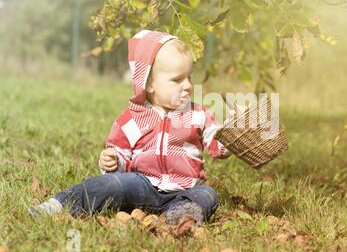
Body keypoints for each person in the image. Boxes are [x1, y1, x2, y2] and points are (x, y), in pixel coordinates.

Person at [29, 30, 233, 226]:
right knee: (114, 184)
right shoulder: (133, 119)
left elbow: (218, 146)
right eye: (177, 80)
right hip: (142, 185)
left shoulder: (198, 114)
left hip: (185, 189)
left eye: (189, 77)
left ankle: (176, 219)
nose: (188, 85)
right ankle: (59, 205)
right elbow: (120, 156)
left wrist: (233, 130)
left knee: (207, 195)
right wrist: (112, 160)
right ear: (149, 84)